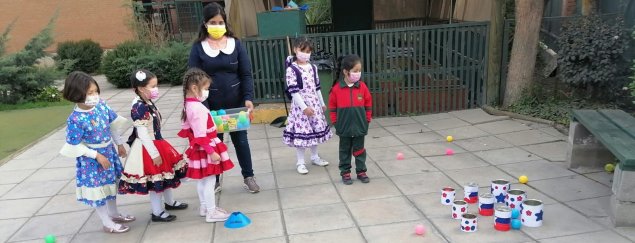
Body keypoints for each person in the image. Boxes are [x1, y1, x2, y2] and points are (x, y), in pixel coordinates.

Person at [187, 2, 259, 193]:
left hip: (236, 104)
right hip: (210, 106)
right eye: (213, 22)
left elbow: (246, 74)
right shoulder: (198, 48)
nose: (217, 26)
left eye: (221, 22)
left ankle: (248, 176)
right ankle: (215, 179)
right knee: (213, 143)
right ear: (205, 23)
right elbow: (193, 78)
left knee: (241, 141)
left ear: (225, 23)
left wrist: (248, 97)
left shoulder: (236, 44)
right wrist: (203, 107)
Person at [59, 71, 135, 233]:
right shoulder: (75, 119)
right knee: (97, 191)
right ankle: (107, 222)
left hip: (109, 152)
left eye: (96, 91)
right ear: (76, 94)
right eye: (90, 93)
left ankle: (114, 214)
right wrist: (96, 155)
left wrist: (119, 144)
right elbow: (74, 144)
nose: (95, 96)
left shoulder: (101, 105)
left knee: (111, 185)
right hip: (91, 161)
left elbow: (112, 125)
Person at [118, 69, 188, 222]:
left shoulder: (146, 101)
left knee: (166, 175)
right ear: (141, 88)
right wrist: (154, 153)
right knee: (155, 180)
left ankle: (169, 202)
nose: (156, 89)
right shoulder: (139, 106)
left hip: (158, 143)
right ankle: (157, 212)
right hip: (148, 148)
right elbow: (142, 133)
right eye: (153, 86)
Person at [178, 68, 234, 222]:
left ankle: (205, 207)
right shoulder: (198, 108)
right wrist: (211, 152)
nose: (207, 92)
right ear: (194, 88)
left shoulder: (187, 105)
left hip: (199, 149)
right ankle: (211, 212)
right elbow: (201, 135)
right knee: (209, 180)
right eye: (206, 89)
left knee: (202, 180)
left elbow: (187, 130)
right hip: (206, 149)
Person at [282, 37, 332, 174]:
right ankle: (300, 162)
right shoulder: (291, 69)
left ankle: (315, 157)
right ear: (295, 50)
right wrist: (304, 107)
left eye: (308, 51)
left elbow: (317, 88)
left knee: (314, 130)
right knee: (302, 133)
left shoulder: (313, 67)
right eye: (302, 50)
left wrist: (321, 103)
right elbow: (294, 91)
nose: (305, 53)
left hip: (314, 104)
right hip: (300, 107)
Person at [328, 54, 372, 185]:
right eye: (355, 71)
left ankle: (361, 172)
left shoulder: (362, 87)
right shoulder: (336, 90)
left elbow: (368, 104)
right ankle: (345, 173)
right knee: (344, 151)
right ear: (346, 72)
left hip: (360, 126)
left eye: (359, 71)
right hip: (344, 127)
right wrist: (336, 123)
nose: (358, 74)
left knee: (360, 150)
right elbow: (332, 108)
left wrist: (367, 119)